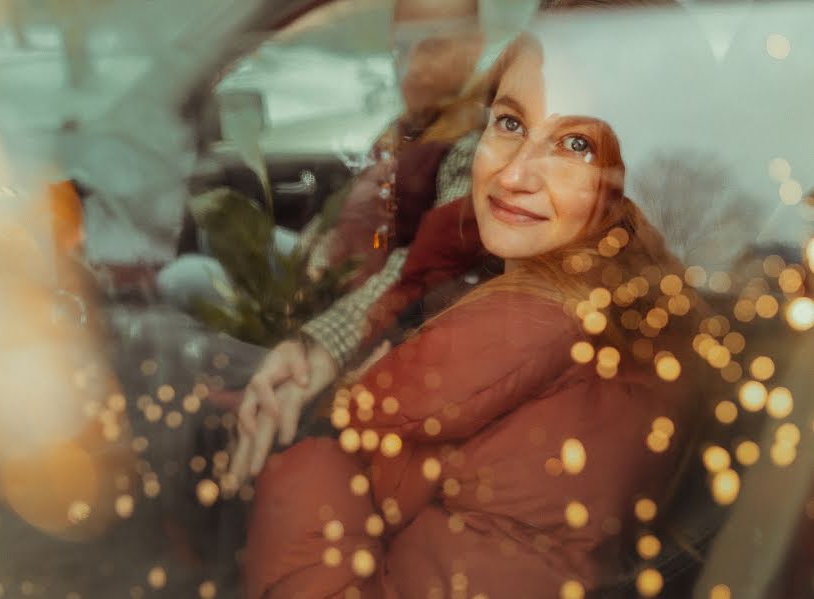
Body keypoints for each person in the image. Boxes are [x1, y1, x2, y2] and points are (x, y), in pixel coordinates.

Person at [242, 32, 708, 598]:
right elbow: (405, 285)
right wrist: (316, 354)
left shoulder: (581, 410)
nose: (513, 175)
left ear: (636, 178)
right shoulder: (490, 256)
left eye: (577, 145)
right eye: (510, 124)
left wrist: (308, 457)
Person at [228, 0, 488, 477]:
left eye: (431, 46)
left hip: (365, 332)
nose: (411, 65)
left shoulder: (474, 144)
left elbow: (426, 262)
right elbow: (335, 222)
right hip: (320, 299)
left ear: (475, 48)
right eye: (400, 49)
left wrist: (320, 342)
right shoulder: (402, 133)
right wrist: (287, 288)